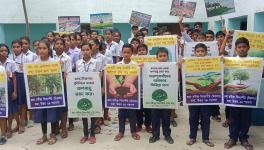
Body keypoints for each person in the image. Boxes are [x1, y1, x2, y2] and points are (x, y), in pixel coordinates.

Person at [224, 37, 254, 150]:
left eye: (244, 47)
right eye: (239, 47)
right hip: (233, 96)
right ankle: (232, 138)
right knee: (233, 117)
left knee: (246, 118)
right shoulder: (231, 61)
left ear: (248, 48)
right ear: (236, 49)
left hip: (248, 97)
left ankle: (244, 138)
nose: (242, 49)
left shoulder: (254, 62)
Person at [184, 43, 214, 147]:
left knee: (206, 117)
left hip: (207, 98)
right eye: (198, 51)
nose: (200, 53)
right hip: (193, 97)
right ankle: (192, 137)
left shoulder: (212, 63)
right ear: (194, 53)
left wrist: (222, 61)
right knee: (193, 117)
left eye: (202, 51)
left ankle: (206, 138)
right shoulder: (188, 63)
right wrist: (181, 64)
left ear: (206, 52)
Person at [33, 40, 61, 145]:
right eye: (40, 48)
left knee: (52, 114)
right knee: (42, 114)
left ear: (49, 49)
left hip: (52, 94)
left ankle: (53, 134)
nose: (42, 50)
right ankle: (44, 135)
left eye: (44, 48)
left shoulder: (54, 62)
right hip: (40, 94)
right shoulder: (34, 63)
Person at [112, 44, 140, 141]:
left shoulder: (135, 65)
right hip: (121, 93)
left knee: (132, 113)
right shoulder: (117, 65)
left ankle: (133, 131)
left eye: (128, 52)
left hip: (132, 93)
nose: (126, 54)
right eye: (124, 52)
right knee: (121, 113)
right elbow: (115, 79)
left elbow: (136, 80)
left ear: (132, 53)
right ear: (122, 53)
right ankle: (121, 131)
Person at [149, 48, 174, 144]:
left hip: (167, 97)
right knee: (154, 117)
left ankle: (167, 134)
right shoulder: (151, 67)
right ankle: (155, 135)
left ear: (167, 56)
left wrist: (179, 65)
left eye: (164, 56)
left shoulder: (172, 66)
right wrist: (143, 67)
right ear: (157, 57)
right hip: (154, 97)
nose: (163, 58)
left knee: (166, 117)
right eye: (160, 56)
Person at [77, 43, 100, 144]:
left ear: (91, 50)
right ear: (81, 51)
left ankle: (93, 135)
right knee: (83, 112)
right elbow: (76, 77)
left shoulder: (96, 62)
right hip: (82, 90)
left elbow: (100, 76)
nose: (85, 52)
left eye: (87, 50)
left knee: (93, 112)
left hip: (93, 91)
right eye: (83, 50)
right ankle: (85, 134)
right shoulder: (78, 63)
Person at [53, 38, 72, 139]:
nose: (59, 45)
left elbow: (67, 74)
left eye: (61, 44)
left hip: (63, 84)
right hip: (52, 84)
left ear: (64, 46)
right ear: (54, 45)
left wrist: (62, 85)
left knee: (63, 108)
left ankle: (64, 127)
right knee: (54, 106)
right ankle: (55, 126)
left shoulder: (67, 58)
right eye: (57, 44)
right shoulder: (51, 56)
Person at [136, 44, 152, 133]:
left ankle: (148, 125)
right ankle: (139, 124)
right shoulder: (134, 62)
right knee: (138, 109)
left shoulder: (152, 61)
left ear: (147, 51)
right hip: (137, 90)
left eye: (143, 50)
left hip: (148, 90)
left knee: (148, 109)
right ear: (137, 52)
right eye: (139, 50)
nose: (141, 52)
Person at [0, 64, 7, 145]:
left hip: (1, 95)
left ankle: (3, 135)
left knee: (1, 115)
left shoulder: (1, 68)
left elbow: (5, 83)